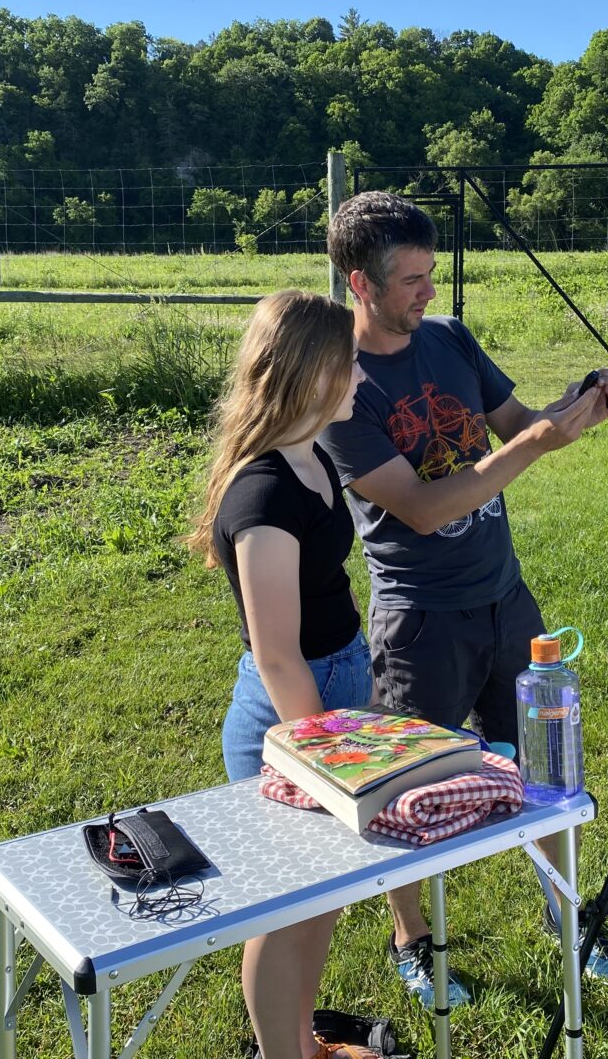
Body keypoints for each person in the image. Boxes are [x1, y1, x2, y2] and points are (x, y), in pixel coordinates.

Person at [318, 191, 608, 1010]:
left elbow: (514, 422)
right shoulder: (338, 386)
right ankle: (412, 941)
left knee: (549, 765)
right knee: (404, 791)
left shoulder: (452, 338)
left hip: (506, 598)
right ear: (361, 282)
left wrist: (569, 414)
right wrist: (536, 442)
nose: (428, 293)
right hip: (420, 619)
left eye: (432, 273)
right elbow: (422, 510)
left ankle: (566, 917)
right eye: (411, 280)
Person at [183, 289, 379, 1059]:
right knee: (280, 907)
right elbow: (275, 655)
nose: (363, 375)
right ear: (312, 374)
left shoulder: (316, 455)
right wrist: (328, 755)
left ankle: (305, 1042)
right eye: (351, 362)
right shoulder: (263, 496)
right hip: (292, 716)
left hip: (334, 693)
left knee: (321, 898)